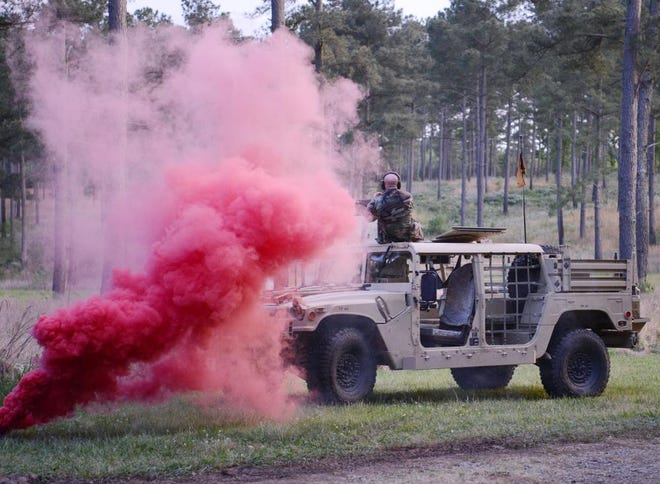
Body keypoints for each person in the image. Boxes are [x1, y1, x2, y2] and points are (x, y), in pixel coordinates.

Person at [367, 171, 424, 243]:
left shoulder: (378, 200)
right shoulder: (408, 196)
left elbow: (369, 218)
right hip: (406, 238)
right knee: (416, 224)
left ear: (383, 184)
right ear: (398, 184)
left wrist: (373, 199)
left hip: (386, 239)